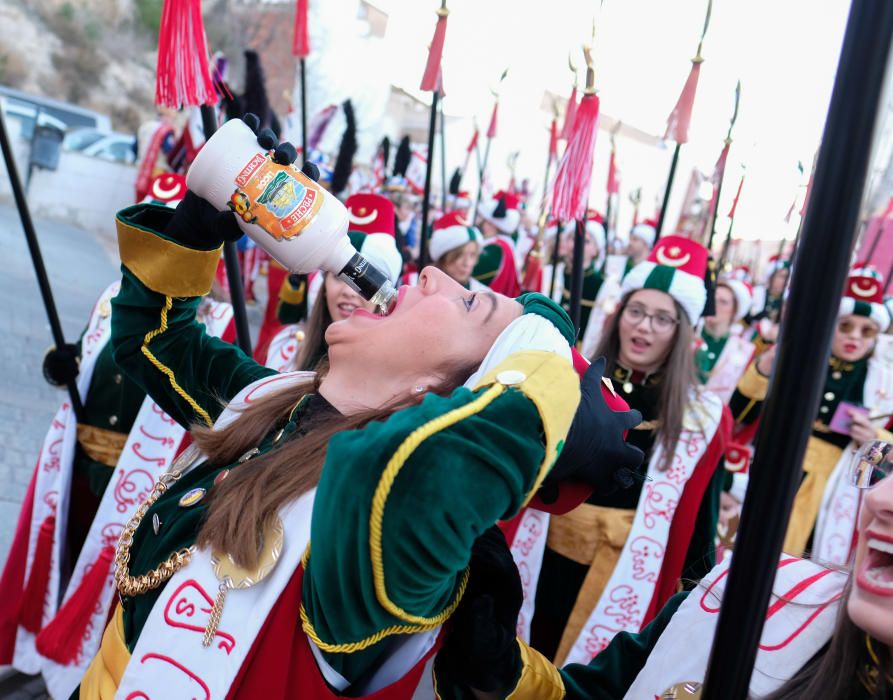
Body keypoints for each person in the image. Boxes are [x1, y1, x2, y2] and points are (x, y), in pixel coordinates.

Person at [75, 125, 642, 698]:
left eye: (469, 301)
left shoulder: (384, 527)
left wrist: (551, 383)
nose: (429, 274)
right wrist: (196, 227)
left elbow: (432, 468)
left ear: (446, 392)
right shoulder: (278, 402)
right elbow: (154, 341)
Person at [435, 439, 893, 700]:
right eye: (888, 468)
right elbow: (591, 694)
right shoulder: (754, 592)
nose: (878, 498)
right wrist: (498, 668)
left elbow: (696, 512)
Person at [505, 235, 732, 669]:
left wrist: (692, 604)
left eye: (662, 319)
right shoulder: (574, 379)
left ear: (681, 332)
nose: (644, 327)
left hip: (627, 572)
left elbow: (699, 523)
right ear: (619, 315)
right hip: (545, 553)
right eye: (637, 311)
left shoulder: (704, 417)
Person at [0, 280, 234, 700]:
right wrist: (62, 364)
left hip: (138, 478)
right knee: (63, 562)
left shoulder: (217, 323)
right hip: (78, 468)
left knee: (105, 583)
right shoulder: (114, 297)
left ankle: (77, 671)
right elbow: (84, 355)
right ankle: (41, 659)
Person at [730, 266, 893, 560]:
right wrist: (763, 370)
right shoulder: (799, 360)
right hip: (778, 466)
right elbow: (739, 413)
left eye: (866, 330)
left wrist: (875, 437)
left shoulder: (884, 383)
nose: (854, 336)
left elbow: (889, 453)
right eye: (845, 326)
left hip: (837, 490)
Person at [264, 194, 403, 373]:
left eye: (366, 281)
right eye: (339, 276)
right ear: (323, 287)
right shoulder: (286, 351)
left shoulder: (391, 375)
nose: (350, 291)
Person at [694, 277, 755, 400]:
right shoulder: (691, 332)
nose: (714, 305)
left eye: (723, 302)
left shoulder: (744, 350)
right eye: (713, 299)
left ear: (734, 311)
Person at [473, 191, 523, 297]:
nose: (481, 225)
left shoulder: (495, 248)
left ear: (492, 225)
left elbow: (472, 276)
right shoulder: (503, 245)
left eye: (486, 222)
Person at [429, 211, 485, 289]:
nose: (467, 263)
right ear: (443, 256)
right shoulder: (412, 283)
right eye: (459, 255)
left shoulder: (483, 295)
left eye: (472, 255)